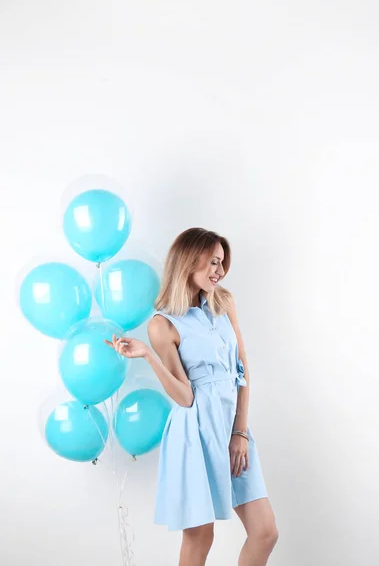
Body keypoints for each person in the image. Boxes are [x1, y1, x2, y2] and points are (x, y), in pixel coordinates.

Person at [105, 227, 279, 566]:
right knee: (201, 537)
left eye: (221, 263)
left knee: (265, 531)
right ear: (189, 261)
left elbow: (242, 370)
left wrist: (240, 433)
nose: (219, 271)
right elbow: (184, 398)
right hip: (194, 433)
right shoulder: (162, 325)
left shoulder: (223, 303)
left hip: (231, 428)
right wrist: (149, 357)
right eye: (213, 262)